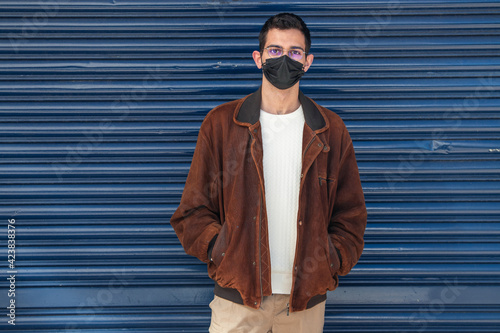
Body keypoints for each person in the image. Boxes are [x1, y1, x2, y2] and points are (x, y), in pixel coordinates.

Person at [170, 12, 367, 333]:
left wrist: (332, 259)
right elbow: (192, 211)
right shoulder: (221, 124)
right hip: (238, 299)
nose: (284, 60)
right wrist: (222, 251)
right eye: (275, 51)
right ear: (258, 58)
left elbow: (351, 214)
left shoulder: (330, 130)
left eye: (295, 52)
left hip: (305, 300)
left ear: (308, 62)